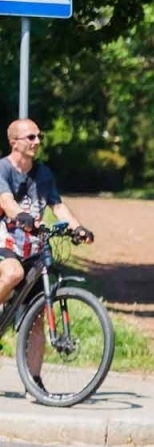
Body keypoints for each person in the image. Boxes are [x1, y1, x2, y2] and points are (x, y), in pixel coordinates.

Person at [1, 118, 94, 313]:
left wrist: (77, 228)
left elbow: (57, 206)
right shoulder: (3, 169)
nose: (37, 141)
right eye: (31, 137)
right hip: (5, 240)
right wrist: (20, 214)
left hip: (34, 246)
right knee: (13, 273)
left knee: (37, 318)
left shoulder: (43, 173)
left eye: (39, 136)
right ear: (14, 143)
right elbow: (6, 201)